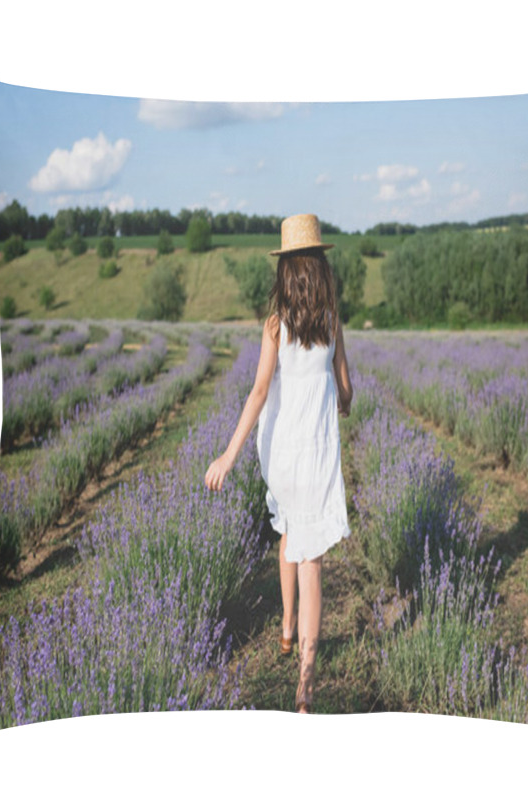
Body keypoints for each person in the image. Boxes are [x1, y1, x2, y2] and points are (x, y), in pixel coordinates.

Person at [204, 213, 353, 714]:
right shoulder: (331, 322)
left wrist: (229, 454)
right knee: (311, 560)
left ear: (287, 271)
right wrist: (341, 398)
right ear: (319, 270)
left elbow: (259, 391)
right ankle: (306, 685)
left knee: (289, 532)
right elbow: (347, 389)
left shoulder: (274, 325)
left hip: (281, 453)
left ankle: (286, 630)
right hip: (314, 454)